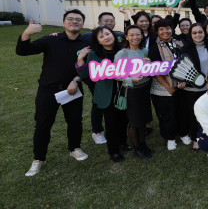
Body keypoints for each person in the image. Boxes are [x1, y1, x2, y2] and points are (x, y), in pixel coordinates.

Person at [17, 11, 89, 176]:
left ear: (82, 24)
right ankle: (39, 159)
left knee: (75, 121)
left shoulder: (86, 43)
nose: (74, 22)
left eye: (78, 20)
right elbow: (24, 51)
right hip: (48, 90)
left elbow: (89, 66)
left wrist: (76, 80)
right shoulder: (51, 39)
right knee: (42, 125)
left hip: (73, 89)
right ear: (63, 22)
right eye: (70, 19)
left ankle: (75, 148)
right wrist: (27, 33)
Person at [77, 26, 130, 163]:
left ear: (113, 34)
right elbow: (84, 74)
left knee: (124, 120)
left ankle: (122, 142)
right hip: (106, 93)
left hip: (124, 91)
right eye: (101, 36)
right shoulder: (93, 55)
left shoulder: (124, 50)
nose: (106, 37)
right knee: (111, 123)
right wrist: (80, 59)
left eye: (107, 34)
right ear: (98, 41)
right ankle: (113, 151)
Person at [114, 25, 154, 159]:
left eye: (138, 34)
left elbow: (151, 71)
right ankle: (137, 149)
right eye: (131, 35)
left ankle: (143, 145)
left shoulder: (146, 51)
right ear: (126, 37)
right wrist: (131, 79)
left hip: (145, 89)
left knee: (143, 119)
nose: (135, 37)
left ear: (142, 36)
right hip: (131, 91)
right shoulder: (122, 53)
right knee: (134, 121)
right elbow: (115, 74)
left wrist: (149, 65)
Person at [148, 19, 187, 151]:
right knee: (166, 113)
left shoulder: (179, 43)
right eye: (162, 29)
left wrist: (184, 81)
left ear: (172, 29)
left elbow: (186, 63)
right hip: (163, 87)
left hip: (181, 84)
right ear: (157, 32)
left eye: (167, 28)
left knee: (182, 111)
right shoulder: (154, 48)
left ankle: (183, 133)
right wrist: (168, 86)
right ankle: (170, 138)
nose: (165, 31)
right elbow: (155, 71)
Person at [178, 23, 208, 150]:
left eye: (200, 32)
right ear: (190, 35)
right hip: (191, 89)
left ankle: (207, 136)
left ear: (204, 33)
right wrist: (181, 81)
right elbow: (183, 68)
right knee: (194, 115)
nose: (198, 35)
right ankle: (195, 139)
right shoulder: (185, 49)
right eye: (194, 33)